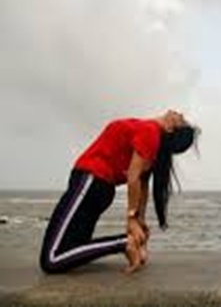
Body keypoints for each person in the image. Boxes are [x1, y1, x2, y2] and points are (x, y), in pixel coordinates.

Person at [39, 110, 199, 274]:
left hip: (90, 182)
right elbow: (142, 184)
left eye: (182, 120)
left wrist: (132, 219)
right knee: (73, 248)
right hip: (98, 188)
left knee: (51, 259)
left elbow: (133, 177)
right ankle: (127, 243)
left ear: (170, 129)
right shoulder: (149, 134)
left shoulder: (150, 132)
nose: (180, 114)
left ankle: (124, 243)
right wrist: (139, 223)